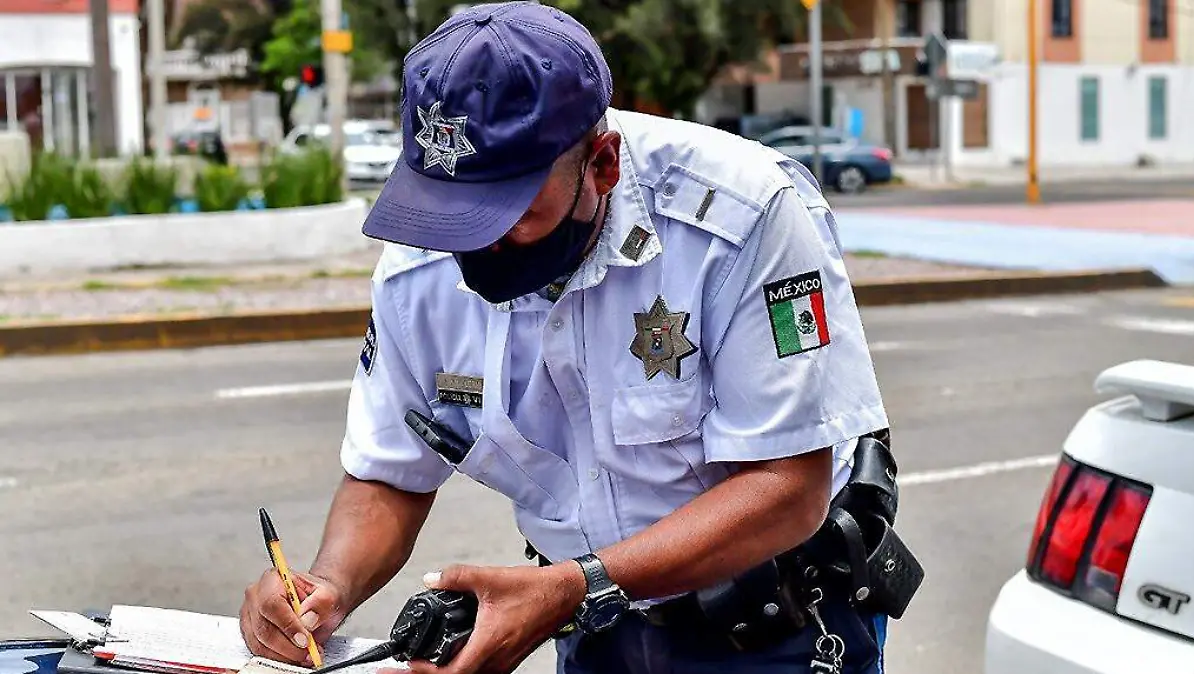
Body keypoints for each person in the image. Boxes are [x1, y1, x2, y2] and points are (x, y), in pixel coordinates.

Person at [238, 2, 899, 673]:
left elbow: (789, 485)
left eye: (512, 211)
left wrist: (571, 588)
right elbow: (391, 472)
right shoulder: (419, 265)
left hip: (776, 628)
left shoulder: (741, 215)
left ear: (602, 166)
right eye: (452, 212)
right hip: (595, 634)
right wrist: (325, 587)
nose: (479, 241)